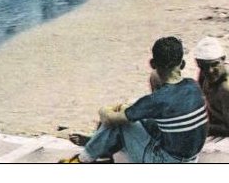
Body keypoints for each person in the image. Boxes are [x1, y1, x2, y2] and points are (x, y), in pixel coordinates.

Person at [59, 36, 208, 163]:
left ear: (153, 64)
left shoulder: (157, 100)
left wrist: (104, 110)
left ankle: (82, 159)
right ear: (182, 64)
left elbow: (110, 118)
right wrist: (126, 108)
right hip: (191, 159)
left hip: (165, 161)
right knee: (133, 115)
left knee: (118, 123)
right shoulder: (193, 86)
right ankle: (102, 153)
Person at [192, 36, 229, 137]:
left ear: (223, 59)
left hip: (228, 125)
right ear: (198, 63)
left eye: (214, 64)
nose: (209, 71)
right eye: (204, 66)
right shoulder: (206, 71)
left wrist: (201, 127)